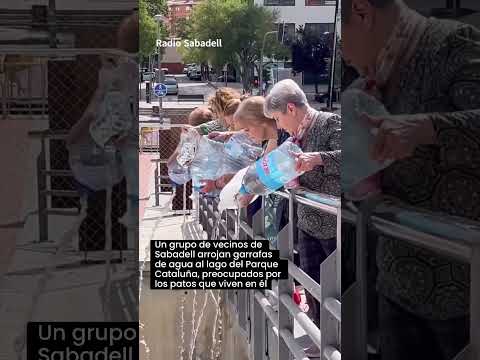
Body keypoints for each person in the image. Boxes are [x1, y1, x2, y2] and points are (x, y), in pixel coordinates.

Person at [342, 0, 480, 358]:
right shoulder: (372, 81)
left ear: (361, 12)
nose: (343, 55)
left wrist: (427, 129)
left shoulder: (452, 44)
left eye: (341, 39)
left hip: (462, 293)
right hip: (396, 283)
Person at [264, 79, 341, 357]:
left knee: (335, 291)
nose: (280, 126)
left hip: (333, 225)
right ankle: (320, 338)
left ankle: (337, 345)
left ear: (291, 108)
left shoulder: (329, 123)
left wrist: (317, 158)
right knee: (311, 287)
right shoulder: (293, 136)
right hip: (307, 222)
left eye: (278, 118)